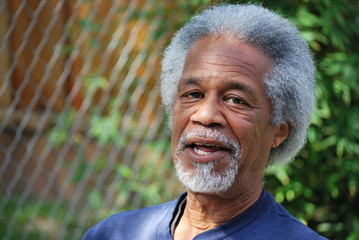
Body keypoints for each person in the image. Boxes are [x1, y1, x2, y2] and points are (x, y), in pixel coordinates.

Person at [82, 4, 328, 240]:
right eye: (193, 94)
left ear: (279, 131)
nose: (205, 115)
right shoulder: (112, 234)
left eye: (236, 100)